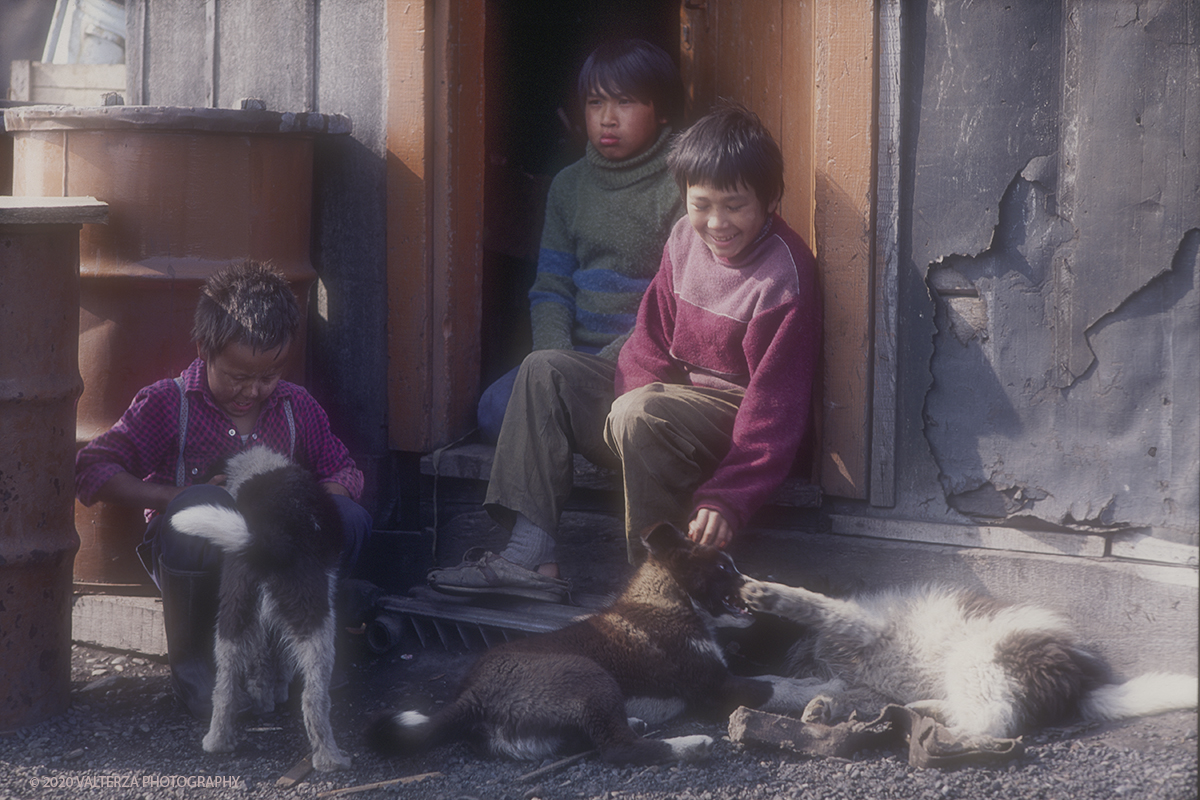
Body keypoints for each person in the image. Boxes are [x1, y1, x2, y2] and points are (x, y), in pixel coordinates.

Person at [430, 102, 820, 600]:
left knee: (642, 410)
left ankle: (665, 588)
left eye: (735, 205)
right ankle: (529, 556)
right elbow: (648, 341)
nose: (717, 222)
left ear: (770, 200)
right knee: (544, 369)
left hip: (729, 422)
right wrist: (624, 422)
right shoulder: (684, 239)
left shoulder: (784, 275)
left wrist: (728, 498)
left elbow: (775, 412)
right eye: (701, 204)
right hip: (659, 411)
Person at [75, 260, 371, 717]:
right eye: (237, 375)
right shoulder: (167, 403)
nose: (252, 390)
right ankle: (198, 675)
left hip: (277, 567)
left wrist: (313, 508)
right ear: (204, 349)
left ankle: (298, 665)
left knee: (347, 518)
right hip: (200, 565)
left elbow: (345, 470)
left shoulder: (297, 407)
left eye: (268, 376)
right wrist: (173, 497)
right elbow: (92, 468)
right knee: (205, 505)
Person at [475, 38, 685, 443]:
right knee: (493, 411)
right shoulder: (569, 185)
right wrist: (558, 361)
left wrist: (604, 367)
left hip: (647, 357)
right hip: (576, 354)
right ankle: (574, 430)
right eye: (595, 103)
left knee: (634, 414)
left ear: (661, 112)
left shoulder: (680, 184)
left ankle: (571, 432)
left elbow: (675, 303)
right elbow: (552, 287)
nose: (607, 118)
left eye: (624, 102)